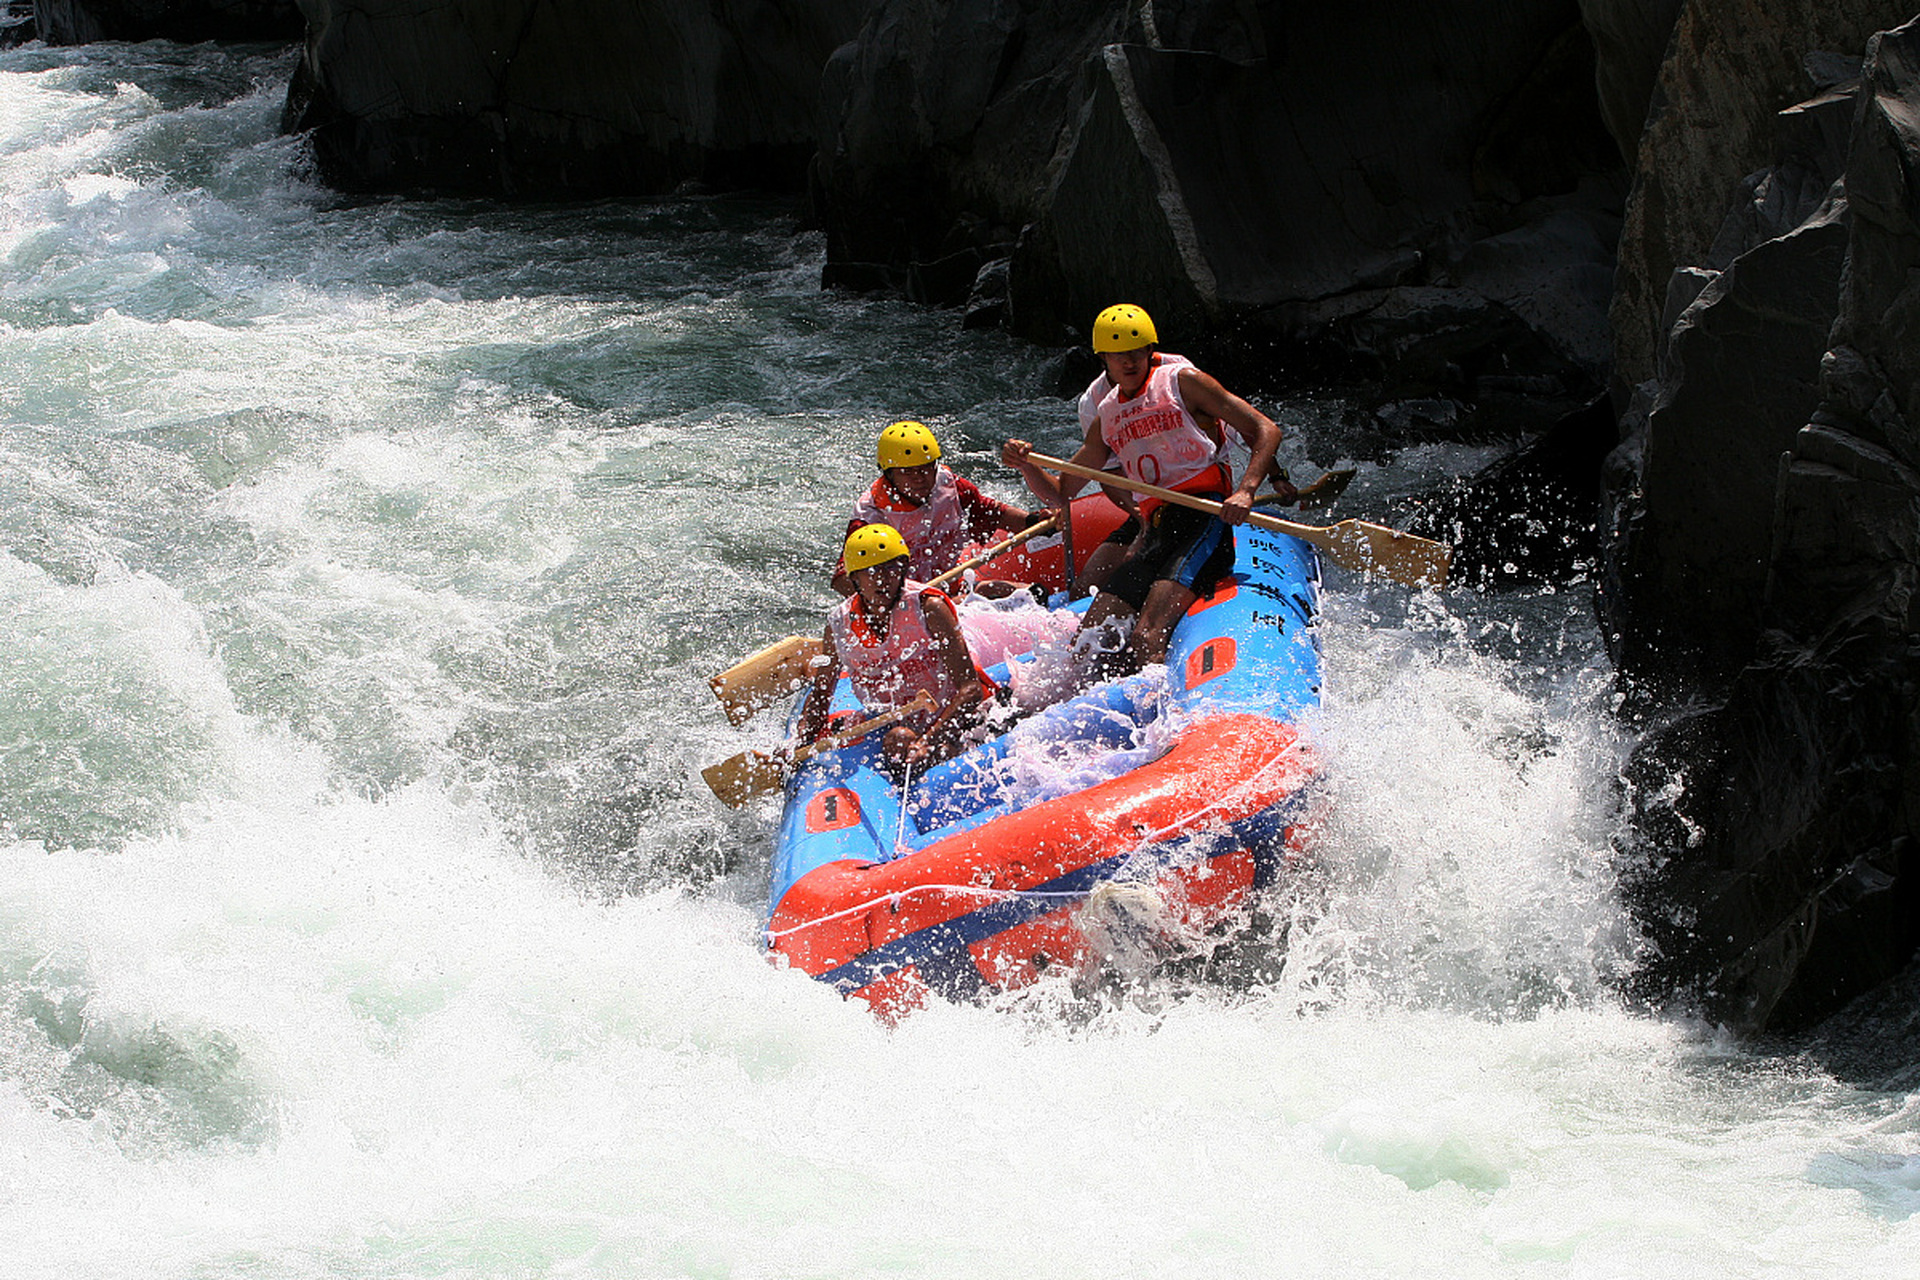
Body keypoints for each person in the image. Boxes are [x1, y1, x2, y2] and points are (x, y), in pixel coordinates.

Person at [1005, 303, 1284, 678]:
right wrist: (1026, 465)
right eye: (1118, 355)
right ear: (1103, 358)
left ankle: (1162, 713)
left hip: (1204, 519)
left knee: (1146, 637)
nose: (1129, 361)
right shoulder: (1106, 414)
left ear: (1150, 350)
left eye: (1136, 352)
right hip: (1158, 529)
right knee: (1087, 642)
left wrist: (1247, 491)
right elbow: (1060, 493)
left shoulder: (1185, 382)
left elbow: (1266, 429)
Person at [799, 524, 995, 776]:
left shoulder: (929, 608)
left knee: (907, 741)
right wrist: (797, 746)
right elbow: (821, 694)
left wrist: (927, 741)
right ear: (854, 578)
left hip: (956, 718)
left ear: (903, 570)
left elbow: (970, 689)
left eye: (892, 568)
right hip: (900, 724)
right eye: (872, 571)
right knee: (899, 739)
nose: (883, 579)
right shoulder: (839, 624)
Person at [830, 420, 1046, 598]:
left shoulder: (948, 485)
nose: (919, 479)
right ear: (889, 474)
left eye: (926, 468)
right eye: (908, 472)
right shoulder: (871, 515)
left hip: (953, 586)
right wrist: (896, 602)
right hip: (910, 602)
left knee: (1029, 593)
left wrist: (1034, 522)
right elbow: (842, 579)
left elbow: (992, 513)